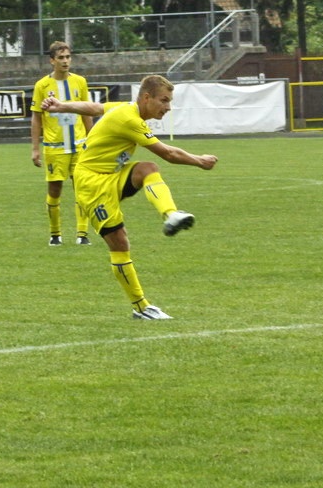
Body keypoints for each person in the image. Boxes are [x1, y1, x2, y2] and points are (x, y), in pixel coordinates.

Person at [41, 75, 218, 320]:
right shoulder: (129, 119)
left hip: (110, 174)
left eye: (169, 102)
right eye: (164, 101)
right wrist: (199, 161)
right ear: (146, 98)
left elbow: (94, 108)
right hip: (91, 183)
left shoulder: (124, 108)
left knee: (147, 168)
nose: (167, 107)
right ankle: (141, 307)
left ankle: (171, 214)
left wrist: (62, 106)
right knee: (119, 243)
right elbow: (168, 153)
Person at [30, 41, 94, 246]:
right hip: (55, 148)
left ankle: (82, 234)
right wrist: (35, 149)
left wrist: (93, 140)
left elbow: (87, 111)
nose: (65, 61)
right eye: (61, 57)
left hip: (80, 146)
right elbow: (36, 117)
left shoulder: (80, 82)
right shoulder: (42, 86)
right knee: (55, 190)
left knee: (83, 189)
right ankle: (55, 234)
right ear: (52, 60)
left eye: (68, 57)